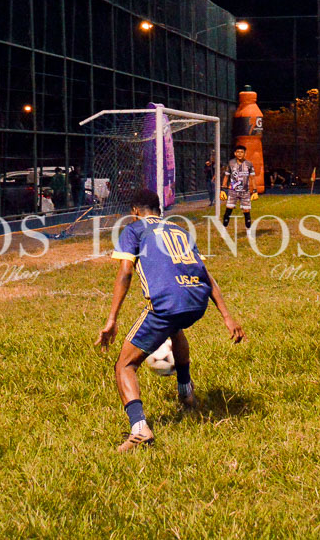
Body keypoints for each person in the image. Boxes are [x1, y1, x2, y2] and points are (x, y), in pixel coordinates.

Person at [97, 189, 246, 452]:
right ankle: (186, 392)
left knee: (125, 365)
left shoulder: (134, 229)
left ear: (135, 212)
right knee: (175, 328)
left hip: (167, 303)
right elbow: (207, 275)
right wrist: (227, 317)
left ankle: (139, 428)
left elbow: (125, 272)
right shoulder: (180, 230)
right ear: (159, 209)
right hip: (197, 301)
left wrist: (112, 320)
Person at [220, 145, 258, 236]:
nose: (240, 154)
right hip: (233, 191)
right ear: (235, 153)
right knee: (229, 209)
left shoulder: (249, 164)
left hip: (245, 191)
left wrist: (255, 190)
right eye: (238, 152)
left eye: (242, 152)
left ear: (245, 153)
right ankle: (224, 229)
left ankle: (248, 231)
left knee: (246, 210)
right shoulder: (231, 163)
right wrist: (222, 189)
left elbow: (252, 178)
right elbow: (226, 176)